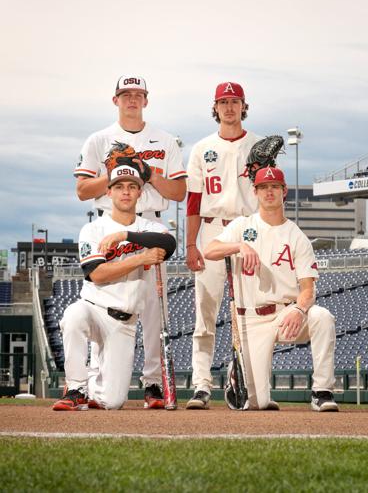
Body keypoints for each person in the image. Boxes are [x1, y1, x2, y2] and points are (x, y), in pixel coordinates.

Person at [74, 75, 186, 408]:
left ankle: (153, 384)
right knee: (101, 303)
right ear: (116, 100)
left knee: (153, 308)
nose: (132, 100)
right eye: (126, 95)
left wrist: (148, 173)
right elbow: (82, 191)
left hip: (150, 223)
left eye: (138, 95)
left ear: (146, 100)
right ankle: (96, 380)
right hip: (109, 223)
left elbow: (179, 192)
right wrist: (119, 171)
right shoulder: (99, 139)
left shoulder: (164, 140)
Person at [203, 166, 338, 412]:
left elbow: (308, 289)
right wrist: (238, 246)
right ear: (255, 192)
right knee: (258, 403)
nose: (269, 192)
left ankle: (322, 391)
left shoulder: (297, 236)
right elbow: (210, 250)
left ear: (284, 191)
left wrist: (299, 309)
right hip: (251, 319)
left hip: (285, 314)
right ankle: (240, 371)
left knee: (322, 317)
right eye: (263, 187)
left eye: (274, 187)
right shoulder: (242, 225)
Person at [53, 163, 176, 411]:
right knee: (72, 315)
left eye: (132, 187)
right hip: (93, 308)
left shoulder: (148, 227)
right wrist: (141, 258)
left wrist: (125, 236)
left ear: (140, 193)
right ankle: (75, 387)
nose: (126, 192)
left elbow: (168, 243)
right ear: (108, 192)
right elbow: (97, 274)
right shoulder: (92, 229)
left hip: (123, 320)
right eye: (119, 187)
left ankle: (93, 387)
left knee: (112, 401)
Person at [185, 82, 262, 409]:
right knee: (205, 312)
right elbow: (193, 201)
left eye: (235, 101)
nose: (229, 107)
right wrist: (190, 244)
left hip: (249, 231)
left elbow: (267, 195)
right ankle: (201, 385)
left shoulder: (259, 145)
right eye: (223, 101)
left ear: (244, 106)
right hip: (213, 231)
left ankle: (253, 381)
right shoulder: (202, 148)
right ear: (214, 107)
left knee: (252, 311)